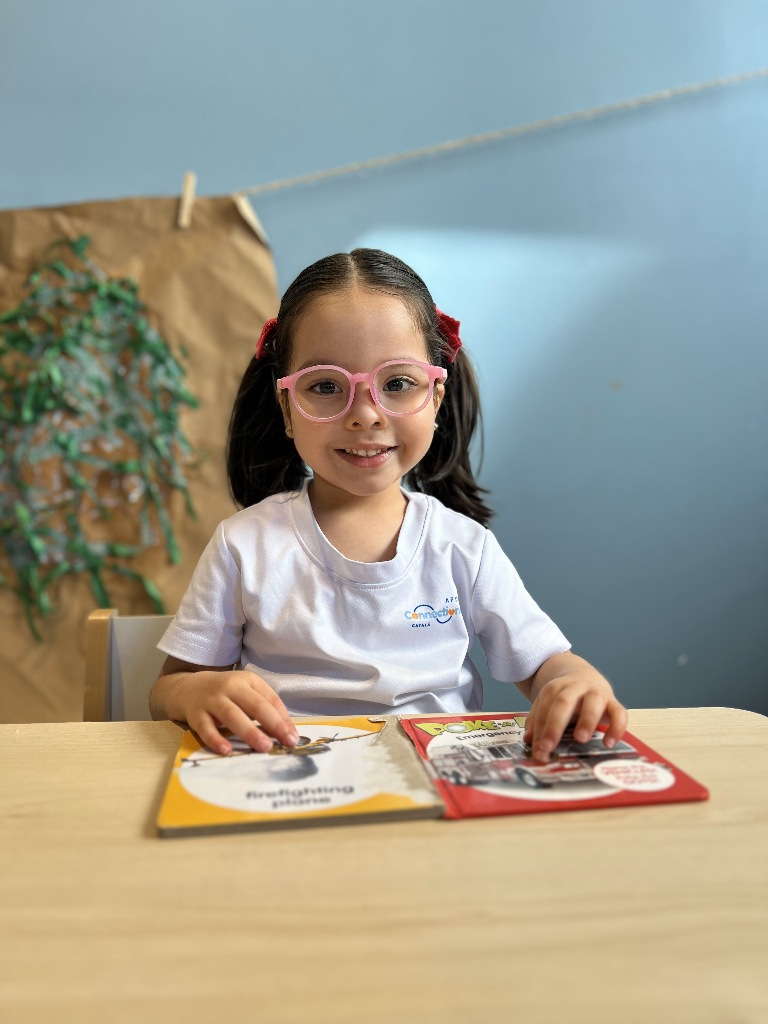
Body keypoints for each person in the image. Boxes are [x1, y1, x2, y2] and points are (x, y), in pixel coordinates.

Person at [149, 248, 627, 762]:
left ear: (437, 397)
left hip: (439, 784)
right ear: (286, 407)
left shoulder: (462, 547)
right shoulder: (244, 544)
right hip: (290, 778)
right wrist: (198, 691)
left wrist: (575, 681)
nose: (365, 414)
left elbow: (547, 666)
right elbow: (168, 690)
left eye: (397, 383)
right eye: (326, 386)